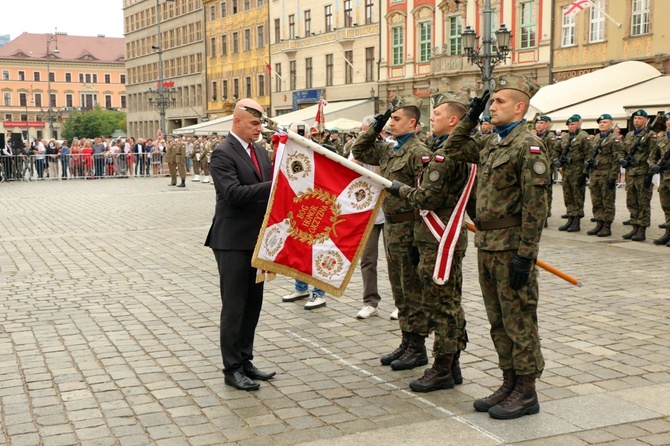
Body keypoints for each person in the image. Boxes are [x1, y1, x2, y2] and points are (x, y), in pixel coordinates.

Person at [443, 75, 549, 419]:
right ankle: (509, 382)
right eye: (492, 101)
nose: (493, 105)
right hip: (487, 244)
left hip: (511, 247)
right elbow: (453, 147)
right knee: (498, 320)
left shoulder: (528, 145)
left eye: (500, 101)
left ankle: (527, 390)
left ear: (520, 107)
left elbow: (536, 206)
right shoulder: (492, 143)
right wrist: (470, 117)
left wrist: (526, 254)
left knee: (520, 320)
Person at [385, 91, 471, 392]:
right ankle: (451, 365)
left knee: (443, 305)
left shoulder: (451, 151)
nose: (430, 118)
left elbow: (428, 197)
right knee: (437, 303)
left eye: (436, 115)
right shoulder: (442, 147)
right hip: (433, 236)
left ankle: (444, 366)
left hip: (441, 237)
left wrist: (399, 190)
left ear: (453, 120)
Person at [352, 96, 431, 371]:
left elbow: (425, 195)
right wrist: (379, 123)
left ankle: (418, 346)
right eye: (391, 119)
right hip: (393, 227)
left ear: (412, 123)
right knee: (399, 288)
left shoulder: (419, 152)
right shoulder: (389, 150)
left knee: (411, 290)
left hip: (410, 228)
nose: (392, 123)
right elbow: (359, 149)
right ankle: (407, 341)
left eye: (396, 119)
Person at [204, 98, 275, 391]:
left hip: (256, 239)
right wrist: (275, 184)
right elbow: (232, 194)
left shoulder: (259, 150)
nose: (260, 129)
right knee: (234, 307)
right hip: (232, 241)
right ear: (237, 121)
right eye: (255, 123)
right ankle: (232, 368)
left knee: (253, 305)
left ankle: (246, 359)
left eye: (261, 124)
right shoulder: (222, 153)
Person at [281, 121, 329, 310]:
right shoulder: (286, 152)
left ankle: (319, 292)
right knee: (297, 247)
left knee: (317, 249)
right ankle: (300, 287)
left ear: (309, 135)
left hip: (317, 207)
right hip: (296, 207)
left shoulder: (324, 151)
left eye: (301, 136)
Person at [349, 115, 386, 320]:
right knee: (368, 259)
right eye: (364, 132)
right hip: (367, 212)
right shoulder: (356, 150)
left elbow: (385, 177)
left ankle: (401, 303)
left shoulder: (388, 147)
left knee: (396, 259)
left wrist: (376, 157)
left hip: (389, 211)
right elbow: (349, 174)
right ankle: (370, 301)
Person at [619, 109, 655, 241]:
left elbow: (653, 155)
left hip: (642, 173)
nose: (636, 121)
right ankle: (634, 227)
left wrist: (649, 174)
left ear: (645, 120)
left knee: (643, 202)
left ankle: (642, 230)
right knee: (632, 201)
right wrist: (622, 159)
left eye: (640, 118)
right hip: (631, 174)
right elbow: (622, 151)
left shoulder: (651, 135)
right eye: (635, 118)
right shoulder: (629, 135)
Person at [584, 114, 620, 237]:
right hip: (595, 173)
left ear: (611, 124)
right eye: (600, 122)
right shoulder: (597, 137)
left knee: (607, 201)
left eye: (605, 122)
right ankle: (598, 223)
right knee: (596, 200)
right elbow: (590, 153)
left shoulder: (615, 138)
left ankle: (607, 225)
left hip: (607, 173)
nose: (602, 124)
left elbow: (617, 158)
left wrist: (613, 175)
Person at [555, 115, 590, 232]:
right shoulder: (565, 137)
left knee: (577, 196)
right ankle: (570, 218)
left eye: (573, 124)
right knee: (568, 196)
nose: (571, 127)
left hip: (578, 170)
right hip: (566, 171)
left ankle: (577, 221)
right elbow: (556, 149)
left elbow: (588, 155)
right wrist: (556, 160)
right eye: (569, 125)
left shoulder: (583, 136)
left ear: (579, 124)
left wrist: (584, 173)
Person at [534, 116, 558, 226]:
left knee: (546, 193)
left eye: (541, 123)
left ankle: (545, 216)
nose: (538, 125)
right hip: (534, 169)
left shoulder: (549, 136)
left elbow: (553, 154)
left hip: (545, 170)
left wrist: (548, 169)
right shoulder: (534, 136)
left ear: (547, 124)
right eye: (537, 123)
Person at [650, 112, 670, 245]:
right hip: (664, 178)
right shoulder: (662, 139)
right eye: (667, 120)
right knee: (666, 206)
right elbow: (652, 155)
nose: (669, 122)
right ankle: (668, 232)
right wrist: (653, 165)